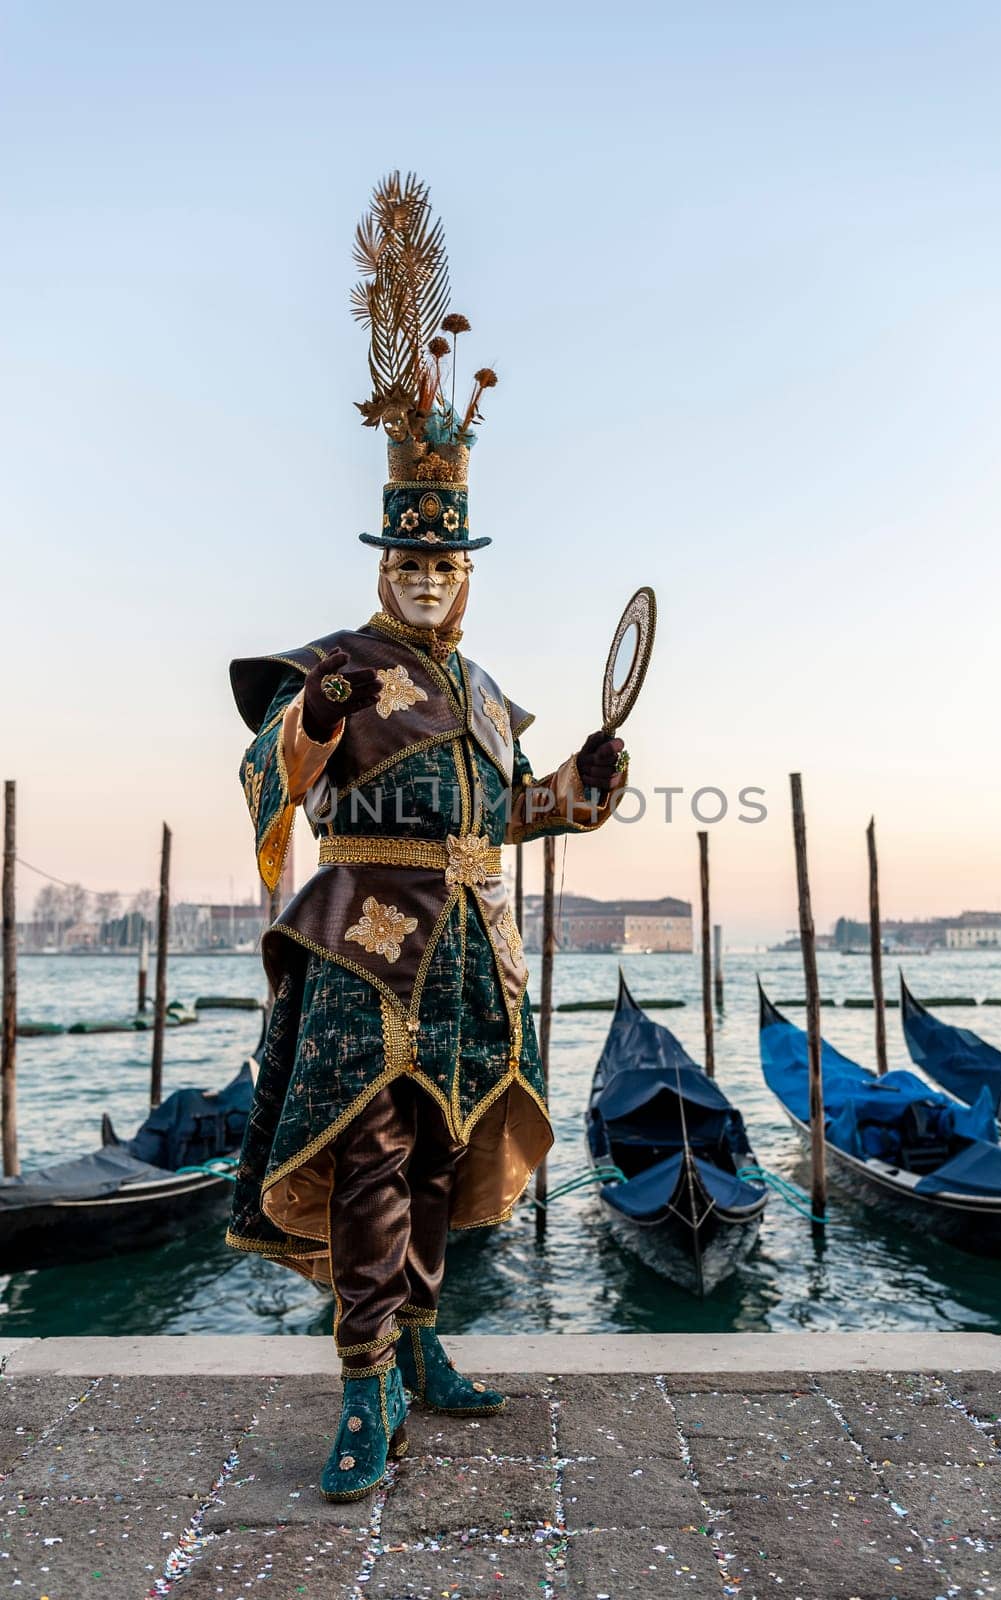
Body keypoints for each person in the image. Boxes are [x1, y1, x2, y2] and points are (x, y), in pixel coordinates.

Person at [226, 172, 628, 1502]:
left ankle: (425, 1348)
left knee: (447, 1153)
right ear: (381, 562)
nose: (427, 577)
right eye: (410, 561)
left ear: (466, 575)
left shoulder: (481, 689)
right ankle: (359, 1391)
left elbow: (507, 817)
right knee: (371, 1155)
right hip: (368, 940)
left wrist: (576, 786)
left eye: (445, 565)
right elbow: (267, 771)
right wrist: (313, 722)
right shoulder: (333, 662)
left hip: (473, 948)